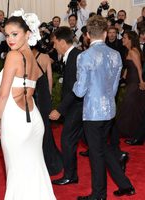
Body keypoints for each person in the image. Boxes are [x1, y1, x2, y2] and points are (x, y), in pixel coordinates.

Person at [0, 9, 56, 200]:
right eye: (7, 35)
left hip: (16, 120)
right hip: (34, 120)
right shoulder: (33, 57)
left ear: (27, 34)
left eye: (15, 34)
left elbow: (3, 94)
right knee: (36, 169)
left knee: (17, 172)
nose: (10, 40)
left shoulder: (13, 56)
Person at [73, 15, 135, 200]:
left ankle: (99, 195)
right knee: (103, 148)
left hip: (93, 112)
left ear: (88, 35)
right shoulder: (116, 55)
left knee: (96, 154)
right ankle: (125, 186)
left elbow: (80, 91)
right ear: (106, 33)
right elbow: (115, 86)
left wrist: (74, 85)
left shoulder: (84, 56)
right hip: (109, 110)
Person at [49, 26, 83, 185]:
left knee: (67, 140)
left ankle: (70, 175)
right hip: (75, 105)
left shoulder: (75, 57)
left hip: (77, 106)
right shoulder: (72, 56)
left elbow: (75, 88)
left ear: (62, 42)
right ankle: (117, 156)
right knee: (90, 140)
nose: (54, 46)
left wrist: (60, 109)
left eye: (55, 43)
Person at [32, 42, 63, 176]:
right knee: (45, 126)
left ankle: (37, 159)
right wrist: (49, 96)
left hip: (31, 96)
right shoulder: (45, 57)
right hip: (44, 95)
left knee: (34, 127)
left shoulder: (25, 57)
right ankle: (50, 158)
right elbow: (50, 78)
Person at [111, 31, 145, 142]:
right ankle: (131, 133)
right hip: (131, 82)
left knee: (128, 108)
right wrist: (123, 78)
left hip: (135, 83)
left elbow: (139, 68)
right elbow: (129, 67)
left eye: (124, 37)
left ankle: (128, 132)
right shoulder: (128, 51)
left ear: (130, 39)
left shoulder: (133, 51)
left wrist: (141, 82)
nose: (122, 39)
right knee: (131, 108)